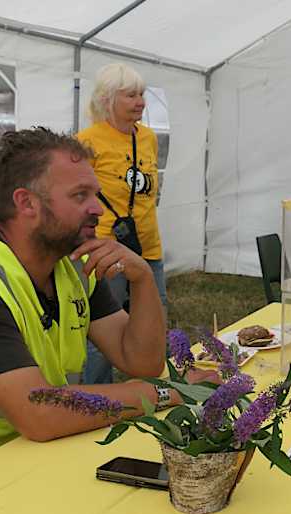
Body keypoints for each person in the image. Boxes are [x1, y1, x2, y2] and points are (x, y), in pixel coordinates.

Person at [0, 128, 217, 467]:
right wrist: (172, 391)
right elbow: (41, 413)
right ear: (26, 202)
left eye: (96, 194)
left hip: (31, 460)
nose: (99, 209)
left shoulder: (69, 265)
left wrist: (143, 280)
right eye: (80, 196)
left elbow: (142, 363)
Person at [77, 63, 165, 384]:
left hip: (147, 245)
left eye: (142, 94)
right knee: (106, 330)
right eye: (131, 95)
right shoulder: (86, 141)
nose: (140, 101)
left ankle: (155, 389)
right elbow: (77, 197)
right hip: (105, 249)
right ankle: (96, 398)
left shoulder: (149, 138)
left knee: (154, 318)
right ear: (107, 99)